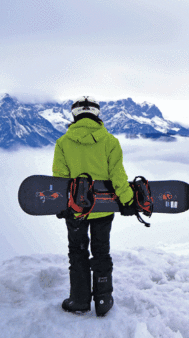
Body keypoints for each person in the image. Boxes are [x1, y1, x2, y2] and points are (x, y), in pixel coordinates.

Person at [52, 96, 135, 316]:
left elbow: (61, 179)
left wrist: (62, 204)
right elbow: (118, 176)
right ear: (97, 114)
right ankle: (103, 300)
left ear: (75, 114)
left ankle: (79, 301)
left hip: (76, 210)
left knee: (77, 253)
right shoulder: (110, 142)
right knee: (101, 252)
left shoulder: (63, 143)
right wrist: (128, 201)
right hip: (103, 208)